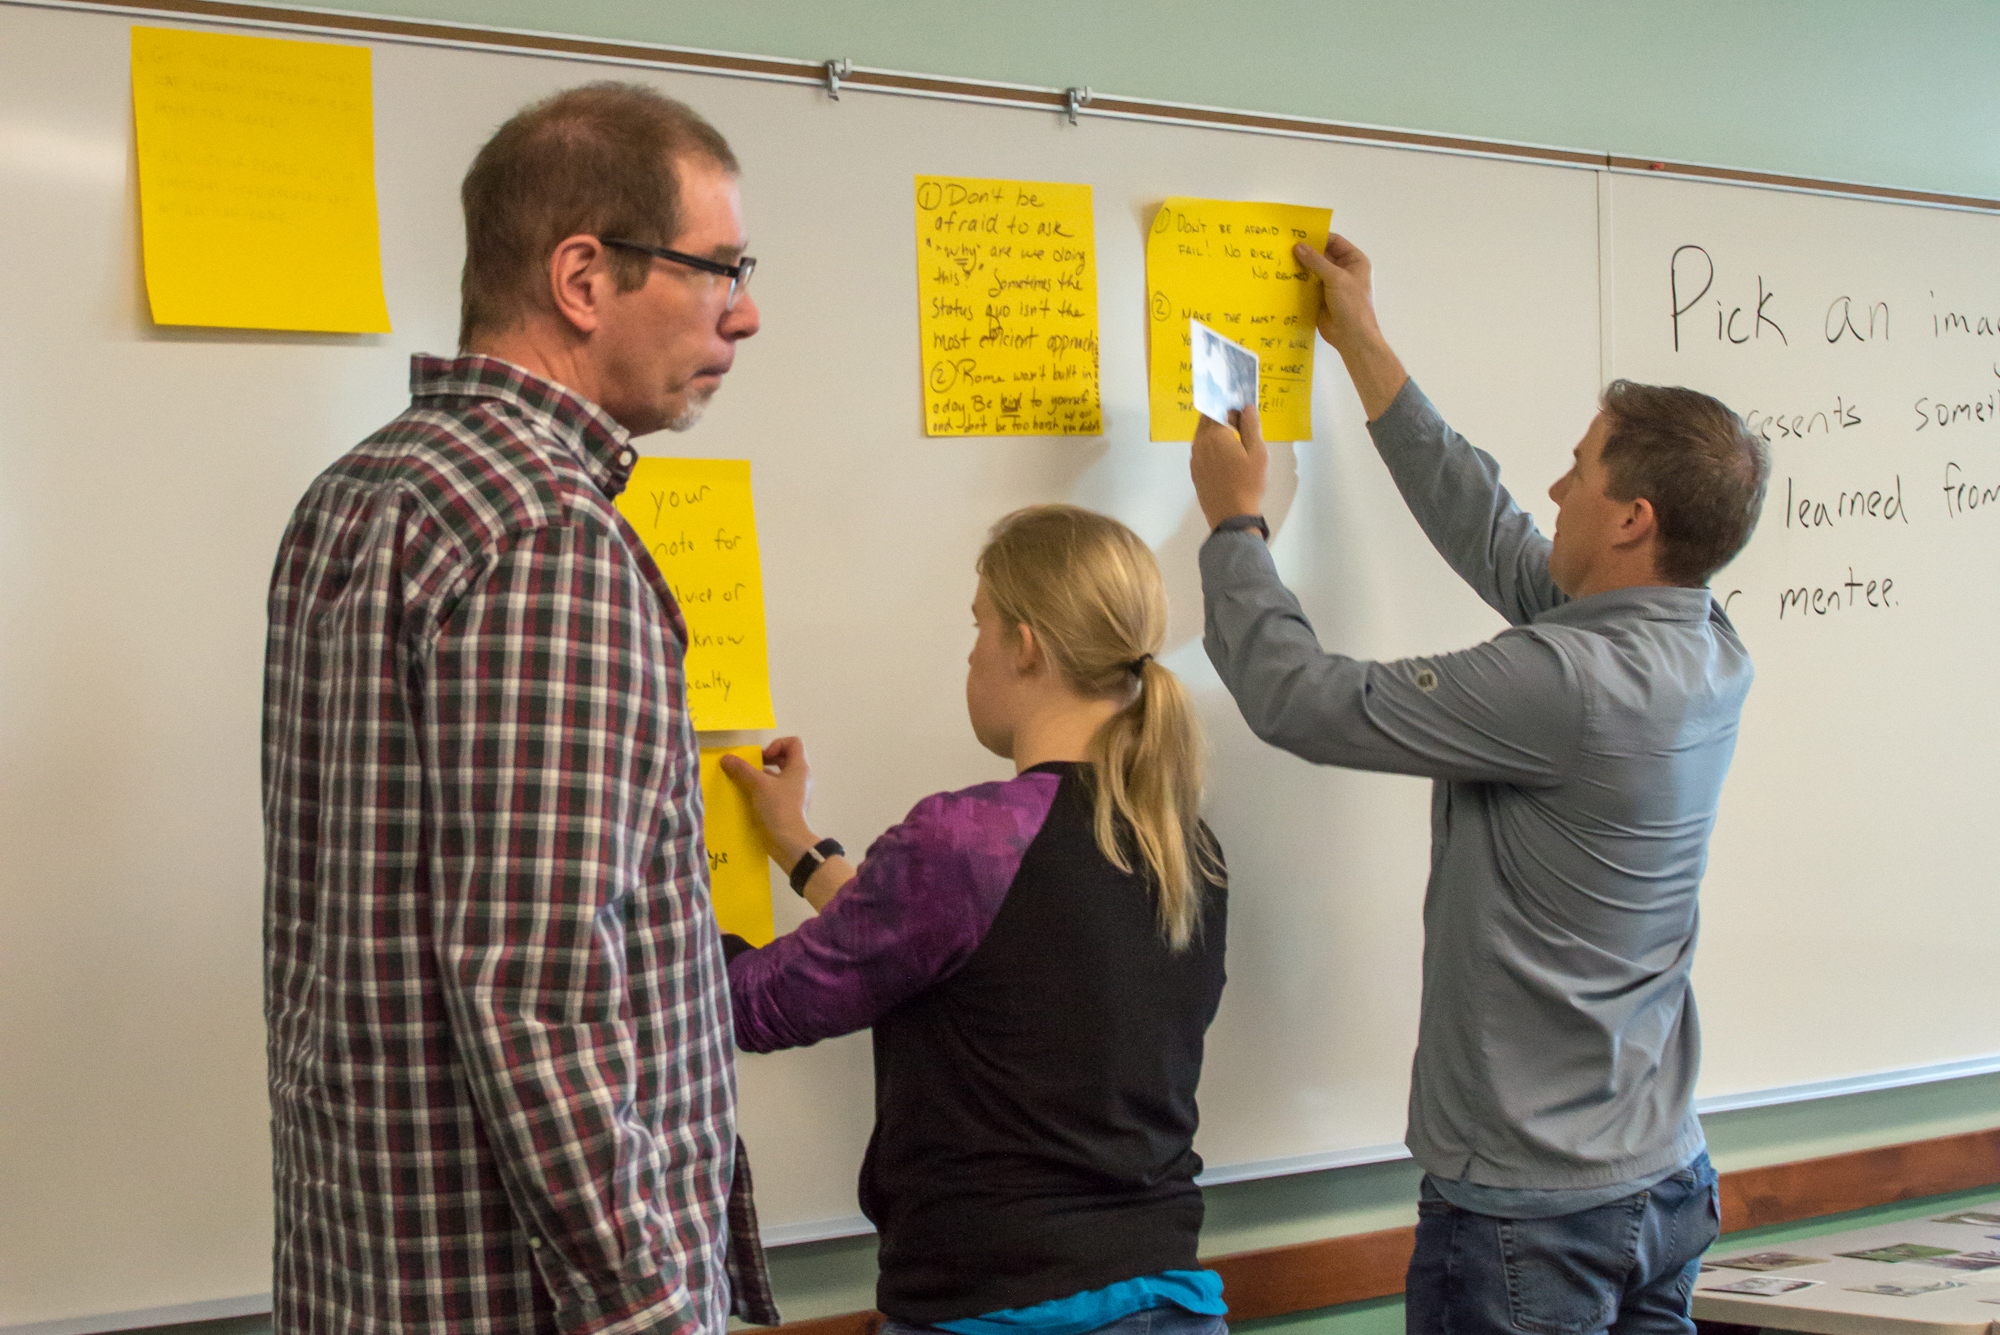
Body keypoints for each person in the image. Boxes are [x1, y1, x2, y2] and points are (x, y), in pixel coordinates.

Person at [262, 83, 774, 1335]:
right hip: (524, 1301)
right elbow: (536, 989)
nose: (744, 315)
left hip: (371, 1269)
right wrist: (652, 1310)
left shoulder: (357, 492)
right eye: (718, 269)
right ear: (584, 278)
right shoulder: (548, 534)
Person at [1189, 234, 1770, 1335]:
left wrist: (1232, 527)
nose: (1553, 485)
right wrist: (1361, 342)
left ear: (1630, 517)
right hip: (1655, 1182)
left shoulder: (1564, 684)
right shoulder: (1704, 644)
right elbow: (1495, 532)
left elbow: (1300, 700)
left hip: (1530, 1219)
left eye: (1580, 467)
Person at [721, 505, 1230, 1335]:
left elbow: (755, 1004)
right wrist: (800, 847)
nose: (970, 652)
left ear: (1025, 643)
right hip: (1167, 1298)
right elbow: (953, 947)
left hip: (1000, 1309)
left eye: (979, 624)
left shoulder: (967, 840)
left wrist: (646, 899)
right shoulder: (1182, 842)